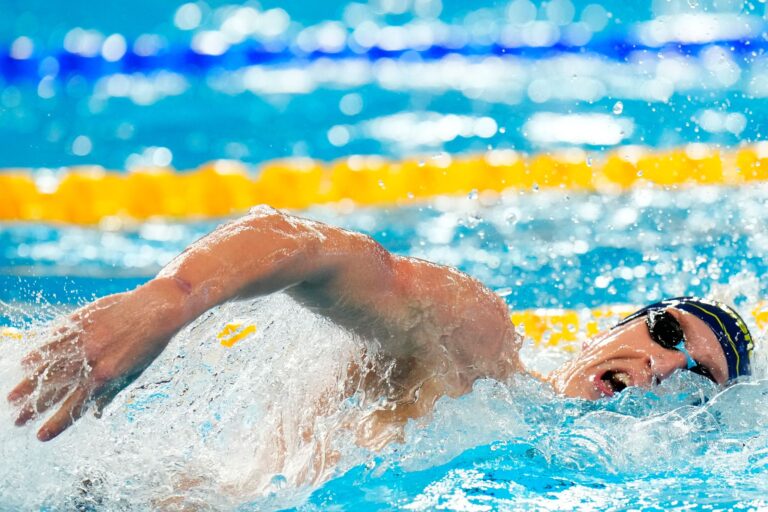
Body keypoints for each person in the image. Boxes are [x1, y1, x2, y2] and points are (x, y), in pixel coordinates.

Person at [6, 206, 755, 445]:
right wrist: (170, 299)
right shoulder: (474, 348)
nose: (662, 366)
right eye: (665, 331)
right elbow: (316, 250)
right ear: (609, 331)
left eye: (696, 382)